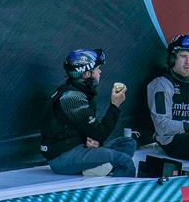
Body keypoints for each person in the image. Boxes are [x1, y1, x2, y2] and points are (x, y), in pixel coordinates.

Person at [40, 48, 136, 177]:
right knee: (124, 161)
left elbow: (91, 133)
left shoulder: (79, 91)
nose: (100, 72)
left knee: (128, 143)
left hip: (76, 147)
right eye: (97, 69)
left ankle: (95, 168)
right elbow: (99, 133)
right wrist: (115, 105)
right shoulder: (71, 98)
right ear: (86, 74)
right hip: (62, 157)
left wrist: (95, 142)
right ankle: (120, 193)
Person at [146, 34, 189, 160]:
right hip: (171, 140)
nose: (188, 62)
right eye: (183, 56)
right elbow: (161, 126)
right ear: (173, 58)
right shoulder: (162, 84)